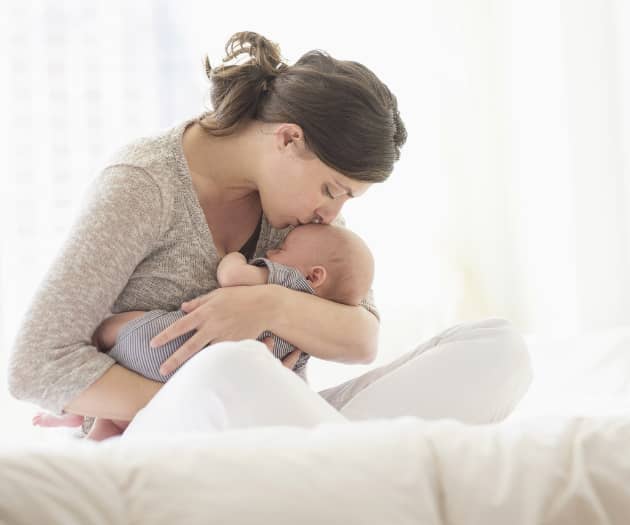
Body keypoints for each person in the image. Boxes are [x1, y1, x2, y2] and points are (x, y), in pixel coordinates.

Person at [8, 31, 532, 440]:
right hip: (170, 432)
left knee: (498, 350)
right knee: (233, 368)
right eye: (333, 189)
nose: (333, 212)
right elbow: (34, 365)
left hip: (285, 430)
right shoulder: (145, 186)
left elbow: (361, 337)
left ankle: (328, 469)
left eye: (347, 198)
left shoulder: (297, 212)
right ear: (288, 138)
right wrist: (206, 400)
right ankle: (351, 469)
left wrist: (267, 307)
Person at [33, 223, 375, 440]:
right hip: (192, 373)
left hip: (165, 346)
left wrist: (233, 258)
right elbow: (293, 379)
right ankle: (96, 432)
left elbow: (232, 278)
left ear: (314, 276)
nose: (271, 252)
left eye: (281, 250)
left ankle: (89, 411)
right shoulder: (316, 325)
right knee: (118, 425)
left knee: (115, 329)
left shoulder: (287, 281)